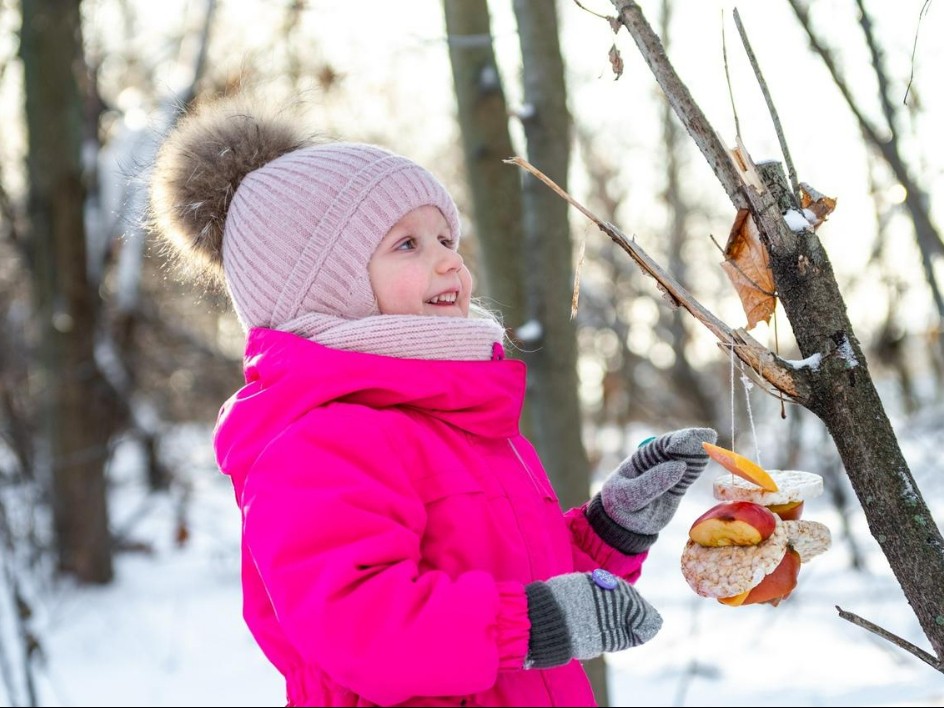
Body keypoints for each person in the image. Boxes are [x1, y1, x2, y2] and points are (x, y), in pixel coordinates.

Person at [148, 94, 718, 707]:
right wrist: (541, 621)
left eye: (447, 238)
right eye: (408, 245)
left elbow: (514, 576)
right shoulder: (316, 440)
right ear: (326, 286)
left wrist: (611, 528)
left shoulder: (459, 418)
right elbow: (365, 630)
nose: (450, 261)